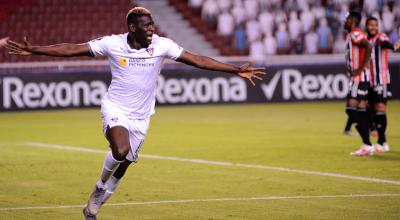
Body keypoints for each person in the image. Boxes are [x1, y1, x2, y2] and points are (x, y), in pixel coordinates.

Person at [6, 7, 265, 220]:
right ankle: (99, 188)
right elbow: (72, 48)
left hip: (142, 116)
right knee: (120, 150)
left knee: (125, 164)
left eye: (152, 24)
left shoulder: (162, 46)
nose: (152, 28)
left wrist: (234, 70)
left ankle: (97, 201)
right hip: (116, 108)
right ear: (133, 27)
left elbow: (198, 59)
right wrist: (36, 50)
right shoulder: (112, 44)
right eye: (146, 25)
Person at [365, 16, 400, 153]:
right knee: (372, 110)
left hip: (381, 79)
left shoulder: (380, 37)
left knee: (380, 107)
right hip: (369, 80)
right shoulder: (365, 41)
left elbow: (386, 44)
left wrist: (393, 46)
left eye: (375, 25)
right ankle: (382, 140)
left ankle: (382, 141)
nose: (373, 27)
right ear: (366, 26)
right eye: (371, 25)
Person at [343, 12, 374, 156]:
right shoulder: (352, 34)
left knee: (351, 108)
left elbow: (368, 46)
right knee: (361, 108)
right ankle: (367, 144)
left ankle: (367, 140)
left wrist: (361, 68)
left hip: (359, 78)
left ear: (353, 21)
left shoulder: (355, 33)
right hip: (358, 78)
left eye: (347, 19)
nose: (344, 22)